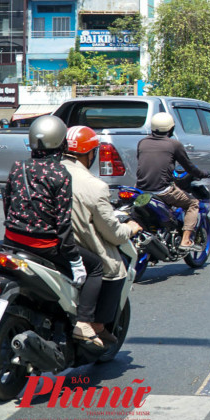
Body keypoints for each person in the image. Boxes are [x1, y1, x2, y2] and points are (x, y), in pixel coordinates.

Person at [2, 116, 106, 347]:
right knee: (96, 266)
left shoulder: (18, 166)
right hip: (44, 246)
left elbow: (7, 203)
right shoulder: (60, 174)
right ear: (61, 143)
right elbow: (62, 224)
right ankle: (84, 323)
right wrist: (74, 259)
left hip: (11, 241)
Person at [63, 126, 143, 346]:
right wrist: (131, 229)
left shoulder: (48, 173)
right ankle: (95, 324)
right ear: (91, 153)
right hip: (74, 245)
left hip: (34, 240)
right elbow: (114, 233)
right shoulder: (95, 186)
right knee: (114, 268)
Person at [136, 112, 210, 252]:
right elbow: (189, 167)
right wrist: (202, 174)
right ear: (171, 129)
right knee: (193, 203)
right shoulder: (174, 144)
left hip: (141, 189)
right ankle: (186, 240)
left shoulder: (143, 142)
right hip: (163, 191)